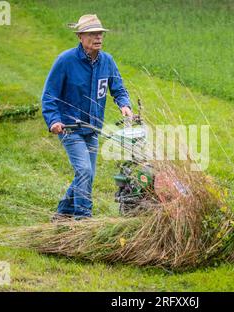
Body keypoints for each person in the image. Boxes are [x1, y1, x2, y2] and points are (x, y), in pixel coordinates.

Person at [42, 14, 133, 222]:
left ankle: (62, 213)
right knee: (84, 171)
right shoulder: (66, 61)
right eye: (92, 34)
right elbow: (49, 95)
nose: (98, 37)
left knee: (87, 175)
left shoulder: (107, 62)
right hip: (69, 128)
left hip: (92, 129)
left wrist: (125, 105)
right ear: (80, 37)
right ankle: (83, 220)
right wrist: (53, 120)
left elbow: (118, 88)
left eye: (100, 33)